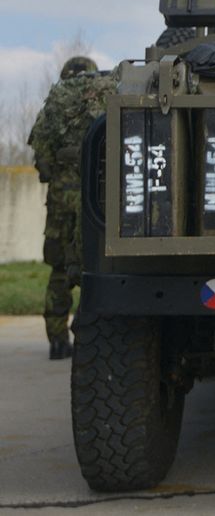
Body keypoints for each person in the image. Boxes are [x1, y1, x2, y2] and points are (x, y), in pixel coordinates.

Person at [26, 56, 116, 359]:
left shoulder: (56, 100)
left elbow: (40, 152)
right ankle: (90, 336)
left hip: (61, 200)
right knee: (97, 267)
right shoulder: (106, 91)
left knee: (59, 269)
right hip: (97, 197)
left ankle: (56, 340)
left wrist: (55, 174)